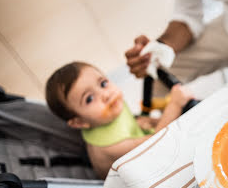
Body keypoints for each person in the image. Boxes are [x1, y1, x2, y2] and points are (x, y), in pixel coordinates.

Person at [45, 62, 193, 179]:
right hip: (135, 178)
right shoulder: (110, 146)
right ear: (79, 122)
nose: (106, 94)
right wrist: (174, 104)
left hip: (140, 144)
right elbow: (157, 142)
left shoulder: (109, 110)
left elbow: (135, 121)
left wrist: (154, 122)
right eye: (89, 98)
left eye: (103, 83)